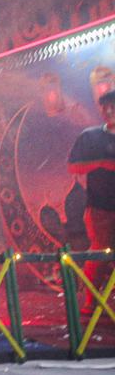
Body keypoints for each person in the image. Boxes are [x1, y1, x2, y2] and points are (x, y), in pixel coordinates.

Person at [67, 88, 115, 316]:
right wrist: (102, 164)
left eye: (113, 106)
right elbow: (73, 167)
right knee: (99, 252)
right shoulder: (90, 136)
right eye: (104, 107)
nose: (109, 111)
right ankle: (90, 301)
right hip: (100, 206)